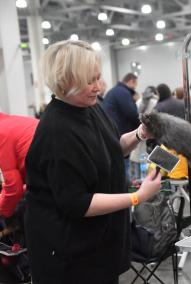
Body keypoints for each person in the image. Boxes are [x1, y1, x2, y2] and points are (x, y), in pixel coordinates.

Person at [24, 40, 161, 284]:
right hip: (70, 259)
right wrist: (136, 197)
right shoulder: (58, 131)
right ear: (65, 81)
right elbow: (78, 203)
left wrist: (139, 134)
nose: (98, 87)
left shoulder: (90, 107)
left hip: (99, 246)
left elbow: (109, 149)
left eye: (98, 78)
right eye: (90, 81)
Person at [0, 113, 38, 218]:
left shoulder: (2, 133)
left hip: (55, 182)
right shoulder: (13, 121)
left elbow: (13, 188)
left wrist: (3, 210)